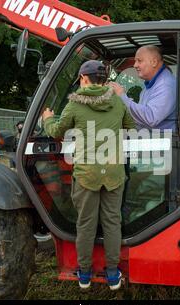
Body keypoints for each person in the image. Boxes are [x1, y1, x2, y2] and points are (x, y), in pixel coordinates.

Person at [42, 60, 135, 290]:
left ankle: (84, 274)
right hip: (113, 172)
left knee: (86, 224)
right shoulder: (117, 101)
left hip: (87, 175)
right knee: (113, 222)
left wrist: (47, 118)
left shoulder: (75, 105)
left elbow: (56, 131)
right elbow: (130, 127)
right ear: (104, 79)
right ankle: (113, 274)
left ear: (84, 78)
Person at [109, 45, 177, 131]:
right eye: (135, 61)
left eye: (139, 61)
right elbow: (140, 118)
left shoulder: (165, 84)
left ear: (154, 62)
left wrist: (122, 96)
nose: (135, 65)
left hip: (161, 142)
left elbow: (151, 118)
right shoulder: (151, 84)